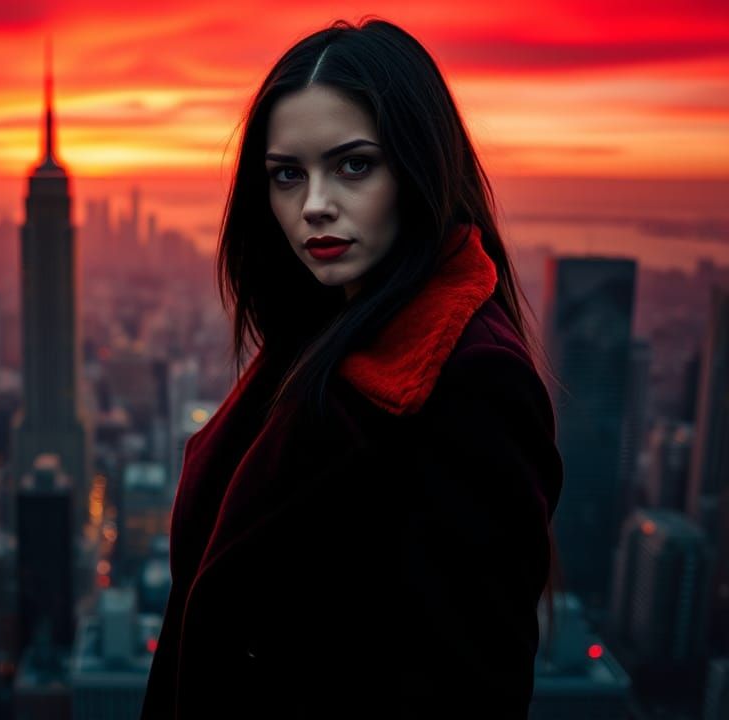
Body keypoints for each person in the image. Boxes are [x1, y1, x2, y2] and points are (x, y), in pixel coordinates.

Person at [140, 17, 564, 719]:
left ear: (419, 167)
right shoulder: (323, 331)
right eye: (286, 175)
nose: (313, 205)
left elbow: (470, 694)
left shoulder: (471, 380)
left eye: (354, 165)